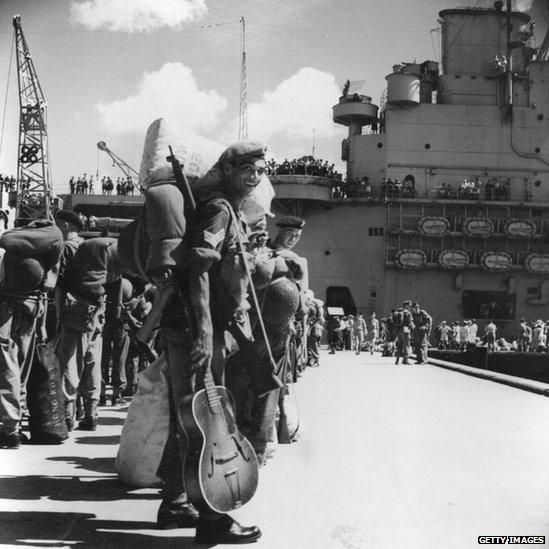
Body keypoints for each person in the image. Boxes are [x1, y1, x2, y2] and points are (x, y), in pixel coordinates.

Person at [152, 142, 265, 543]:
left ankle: (178, 503)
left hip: (195, 327)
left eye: (260, 170)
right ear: (228, 169)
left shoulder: (226, 209)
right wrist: (204, 331)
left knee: (191, 419)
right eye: (248, 168)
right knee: (204, 423)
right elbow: (199, 269)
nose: (255, 176)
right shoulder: (219, 209)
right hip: (195, 329)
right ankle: (213, 521)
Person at [0, 219, 63, 448]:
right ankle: (16, 423)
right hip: (32, 310)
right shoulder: (50, 249)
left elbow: (5, 239)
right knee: (20, 367)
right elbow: (47, 288)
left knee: (7, 367)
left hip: (8, 311)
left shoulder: (12, 245)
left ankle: (9, 430)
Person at [57, 237, 123, 431]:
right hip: (98, 311)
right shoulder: (107, 256)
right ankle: (91, 416)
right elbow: (116, 284)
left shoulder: (71, 250)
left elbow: (62, 283)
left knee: (70, 364)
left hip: (76, 310)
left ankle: (68, 417)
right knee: (92, 363)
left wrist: (60, 316)